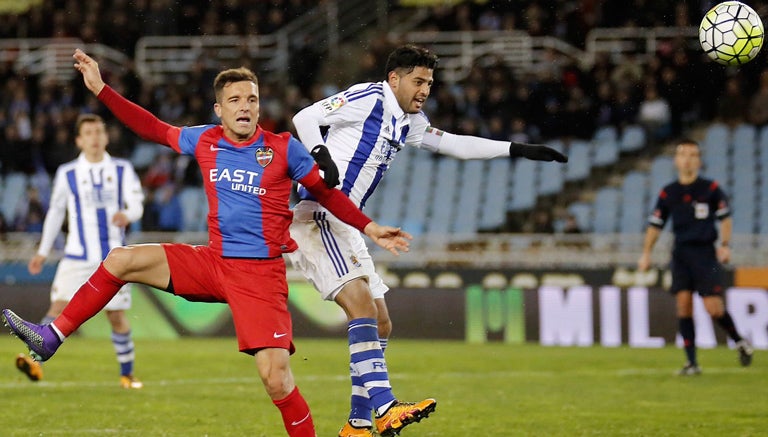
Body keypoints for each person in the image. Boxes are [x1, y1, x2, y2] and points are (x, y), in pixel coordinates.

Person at [2, 49, 413, 437]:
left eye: (251, 99)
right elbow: (152, 127)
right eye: (234, 100)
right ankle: (51, 336)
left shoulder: (284, 149)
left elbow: (325, 194)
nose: (245, 106)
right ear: (220, 109)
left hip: (260, 277)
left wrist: (370, 227)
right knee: (121, 259)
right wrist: (100, 88)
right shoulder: (205, 140)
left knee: (276, 379)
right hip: (214, 263)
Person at [289, 44, 567, 437]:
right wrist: (320, 154)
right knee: (362, 308)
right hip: (318, 215)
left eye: (430, 83)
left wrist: (516, 148)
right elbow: (306, 116)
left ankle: (357, 424)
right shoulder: (368, 97)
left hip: (348, 225)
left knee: (381, 323)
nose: (425, 90)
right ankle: (385, 408)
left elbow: (454, 143)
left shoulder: (409, 121)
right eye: (418, 81)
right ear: (394, 79)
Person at [17, 114, 145, 388]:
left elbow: (137, 202)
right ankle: (34, 361)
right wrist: (43, 250)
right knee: (58, 307)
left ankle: (127, 373)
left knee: (116, 316)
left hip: (113, 257)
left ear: (106, 137)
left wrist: (127, 213)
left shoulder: (122, 169)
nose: (95, 138)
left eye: (99, 132)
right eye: (88, 133)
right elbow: (55, 212)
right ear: (79, 140)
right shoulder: (68, 173)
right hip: (76, 255)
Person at [637, 139, 753, 375]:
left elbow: (725, 218)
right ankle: (691, 362)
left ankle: (740, 341)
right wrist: (646, 253)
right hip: (680, 253)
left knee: (713, 308)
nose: (687, 159)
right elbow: (655, 225)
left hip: (705, 253)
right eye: (683, 154)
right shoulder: (668, 192)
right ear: (676, 160)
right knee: (683, 306)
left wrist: (725, 244)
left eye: (692, 155)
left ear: (699, 160)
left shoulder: (710, 189)